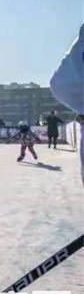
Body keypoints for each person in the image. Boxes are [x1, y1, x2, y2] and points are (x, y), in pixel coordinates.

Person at [50, 23, 83, 185]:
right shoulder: (52, 119)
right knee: (52, 137)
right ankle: (52, 144)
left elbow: (62, 83)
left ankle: (52, 144)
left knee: (53, 137)